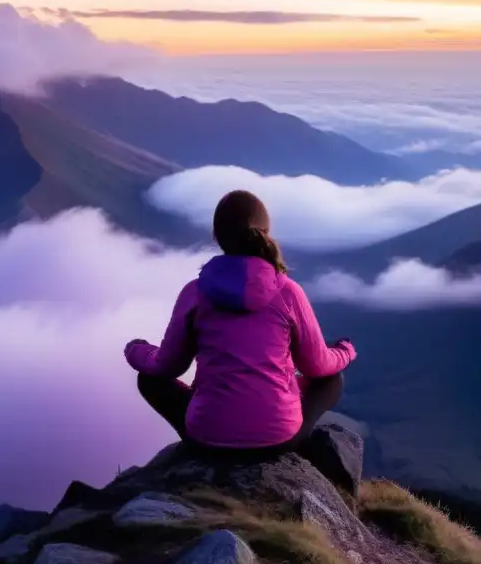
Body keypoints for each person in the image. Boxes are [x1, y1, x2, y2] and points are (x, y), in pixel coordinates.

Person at [124, 189, 356, 461]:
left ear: (216, 236)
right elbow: (317, 366)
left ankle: (201, 441)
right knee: (332, 379)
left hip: (207, 439)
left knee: (149, 378)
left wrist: (135, 350)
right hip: (278, 440)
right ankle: (286, 440)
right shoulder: (288, 293)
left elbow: (166, 366)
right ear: (266, 233)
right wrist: (345, 351)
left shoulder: (195, 292)